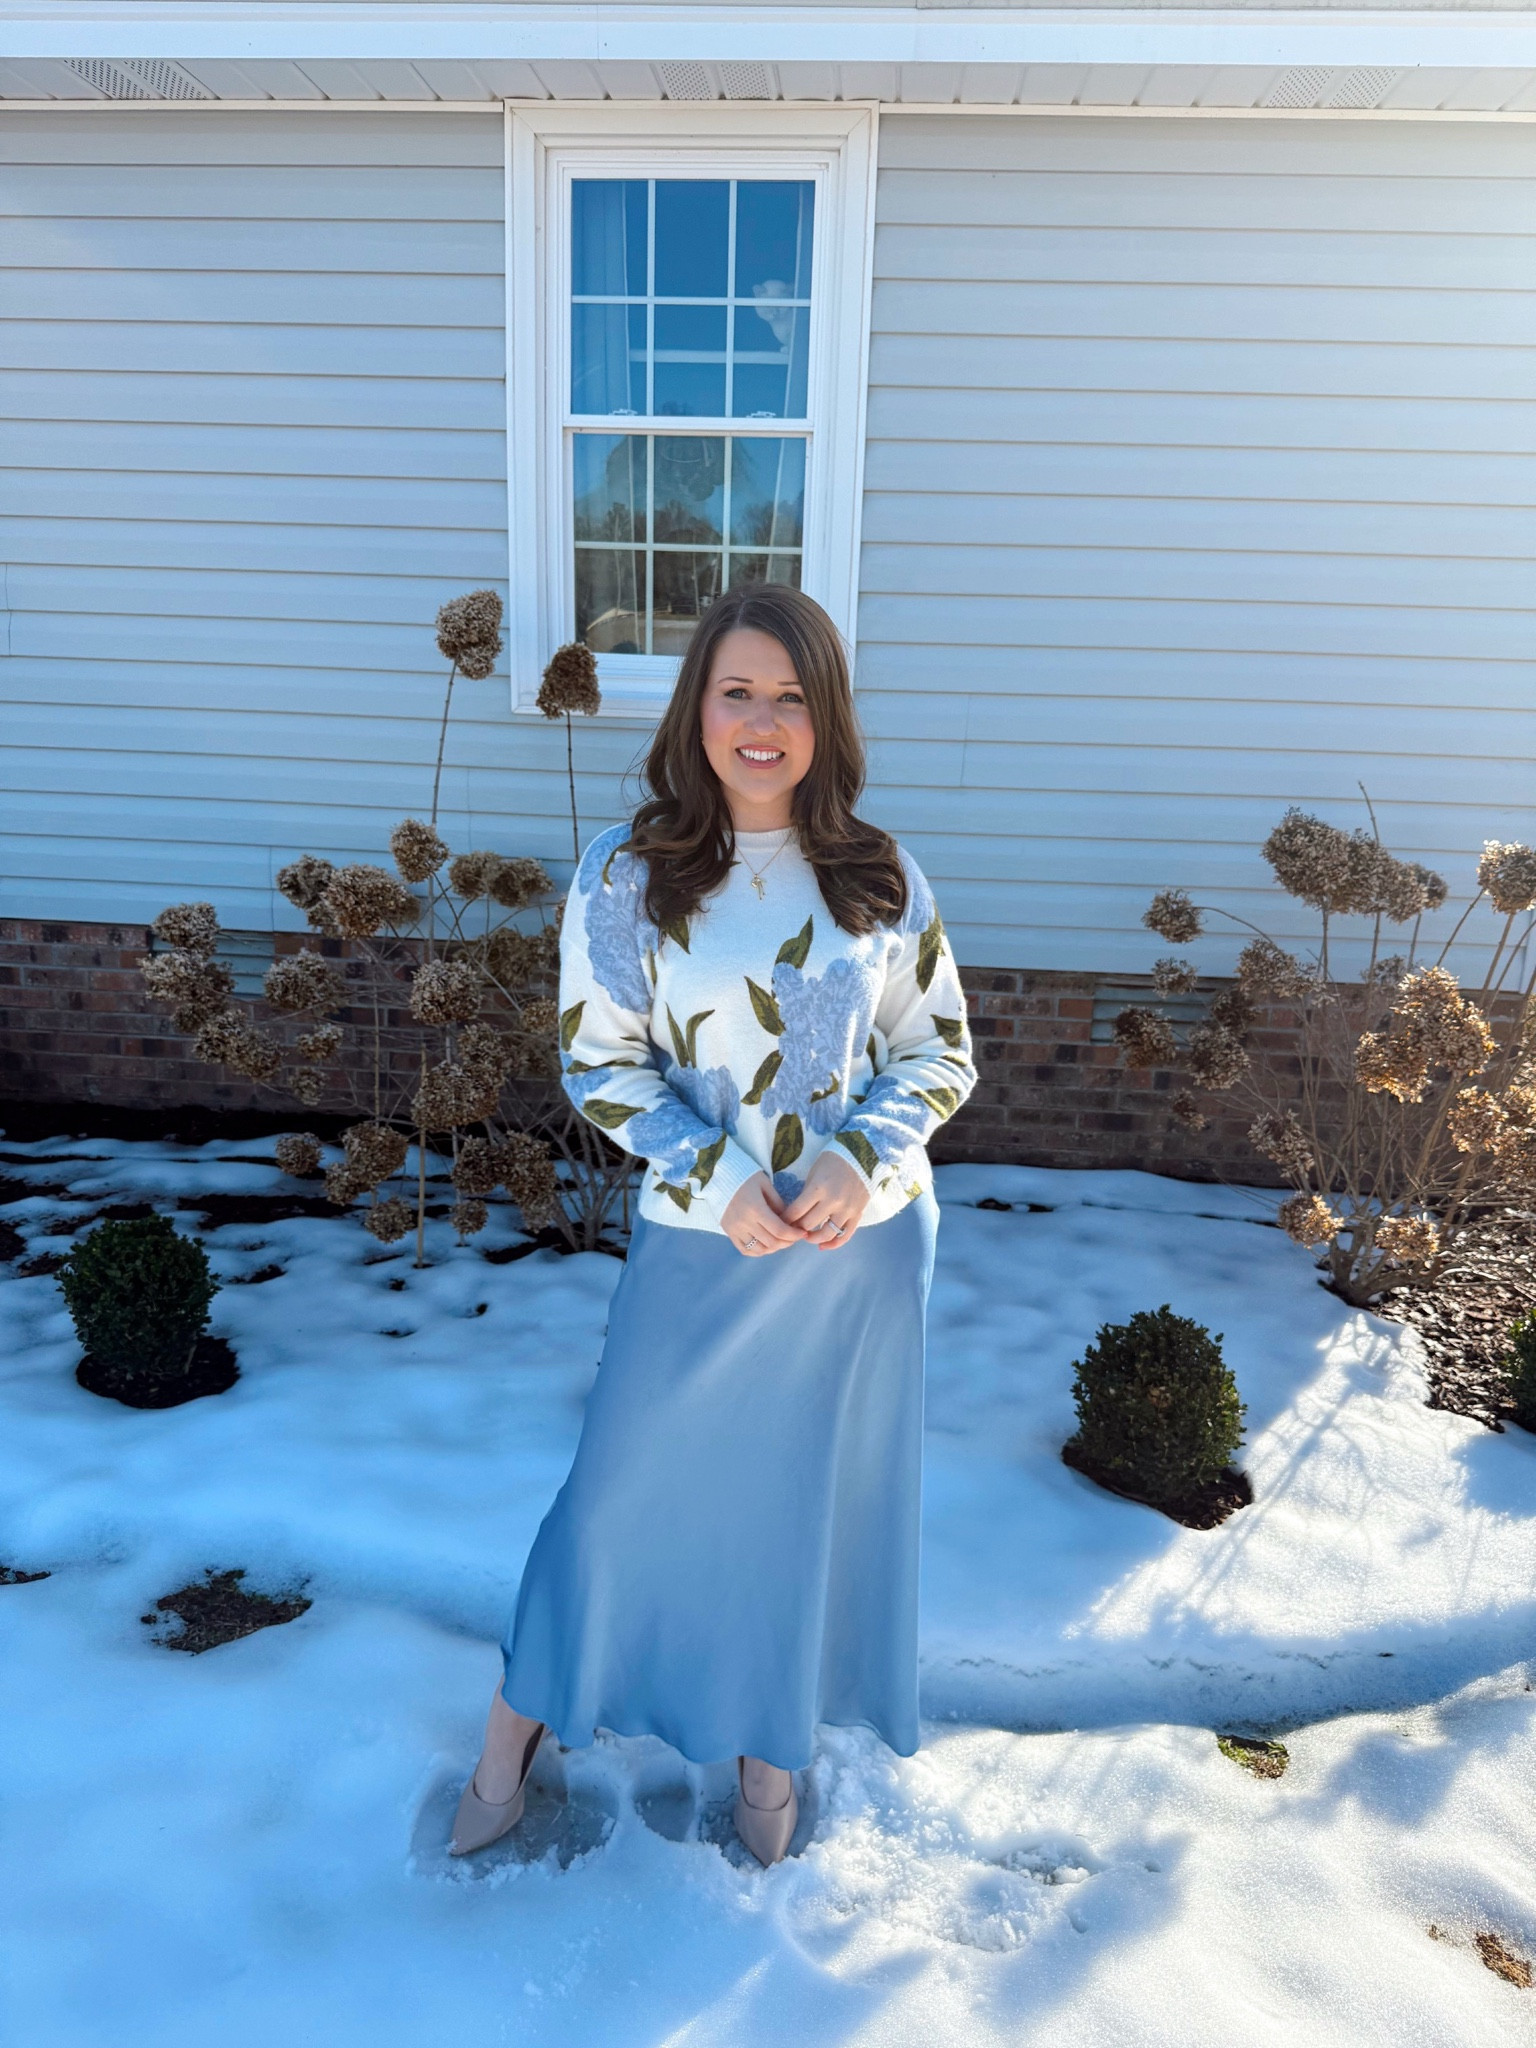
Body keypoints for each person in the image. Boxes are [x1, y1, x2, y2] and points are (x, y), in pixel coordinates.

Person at [451, 583, 976, 1866]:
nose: (762, 719)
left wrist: (862, 1155)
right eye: (737, 690)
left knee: (793, 1512)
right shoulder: (630, 880)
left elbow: (939, 1050)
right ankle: (518, 1724)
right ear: (696, 710)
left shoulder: (879, 874)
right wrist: (715, 1175)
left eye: (791, 695)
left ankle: (768, 1752)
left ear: (825, 717)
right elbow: (600, 1062)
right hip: (702, 1241)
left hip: (857, 1252)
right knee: (613, 1499)